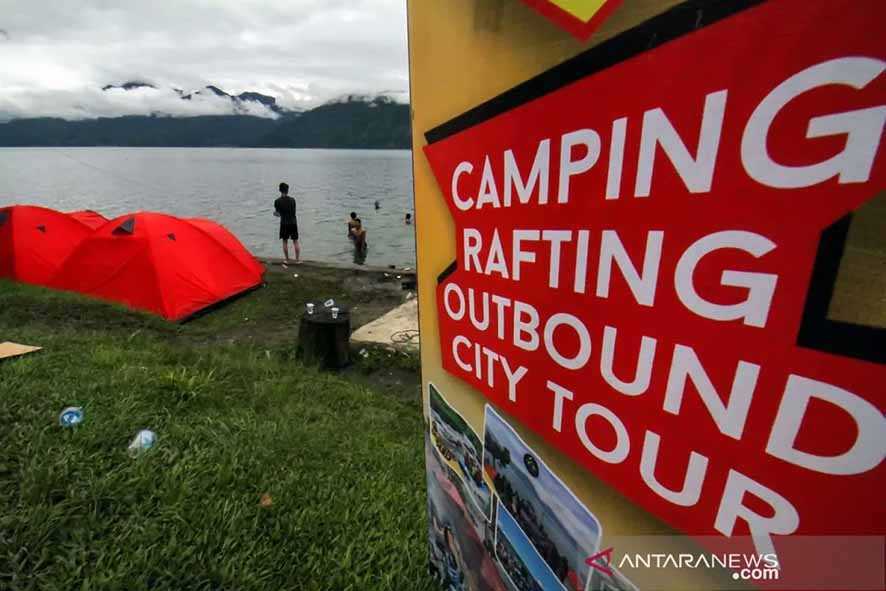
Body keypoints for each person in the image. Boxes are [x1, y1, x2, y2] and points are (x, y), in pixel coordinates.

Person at [274, 182, 300, 265]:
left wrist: (275, 214)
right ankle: (297, 260)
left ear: (280, 190)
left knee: (285, 241)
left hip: (284, 223)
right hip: (293, 222)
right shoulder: (293, 200)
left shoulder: (277, 201)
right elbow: (293, 211)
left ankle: (287, 260)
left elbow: (278, 214)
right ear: (287, 190)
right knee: (295, 241)